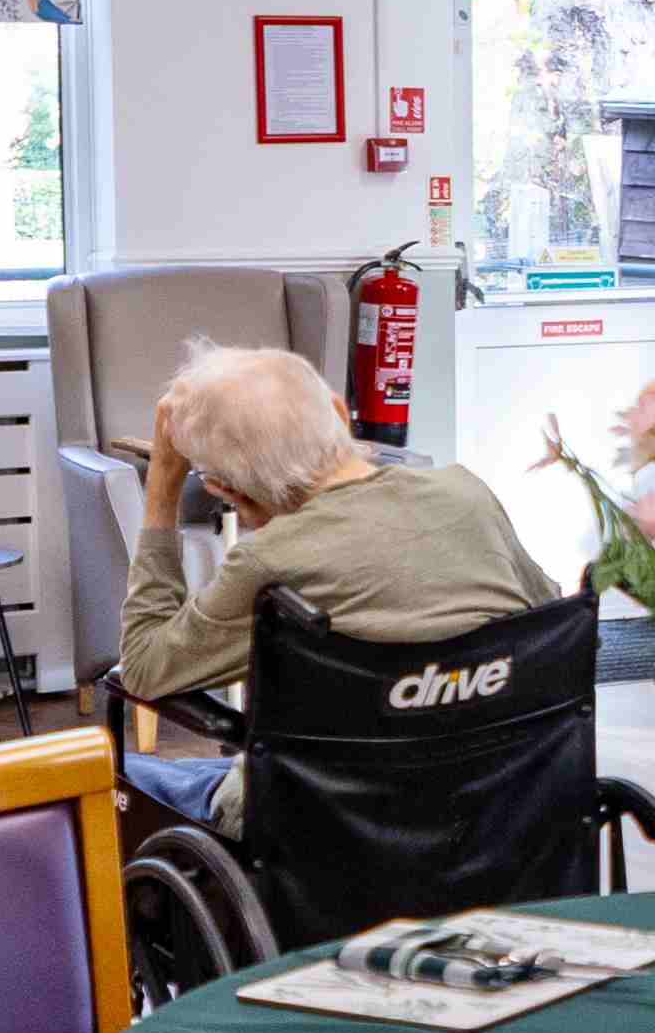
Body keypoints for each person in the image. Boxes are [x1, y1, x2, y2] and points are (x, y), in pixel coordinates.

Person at [116, 344, 550, 814]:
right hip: (490, 803)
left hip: (318, 822)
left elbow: (142, 669)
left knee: (111, 785)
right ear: (340, 415)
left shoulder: (268, 563)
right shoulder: (468, 495)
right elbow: (548, 617)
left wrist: (162, 487)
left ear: (221, 488)